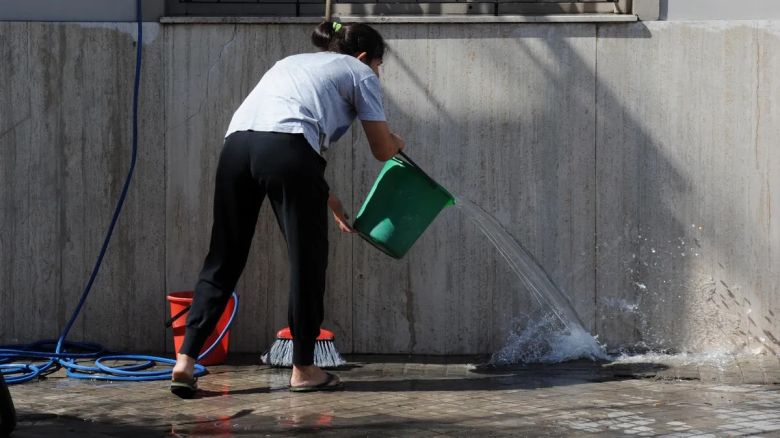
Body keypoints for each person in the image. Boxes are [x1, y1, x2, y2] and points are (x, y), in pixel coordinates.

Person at [170, 21, 404, 398]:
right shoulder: (360, 72)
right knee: (307, 260)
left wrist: (330, 200)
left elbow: (282, 138)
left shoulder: (292, 63)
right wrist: (396, 142)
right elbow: (380, 149)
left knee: (225, 255)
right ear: (364, 57)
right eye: (378, 64)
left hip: (237, 147)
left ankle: (184, 361)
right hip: (288, 150)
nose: (376, 72)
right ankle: (304, 369)